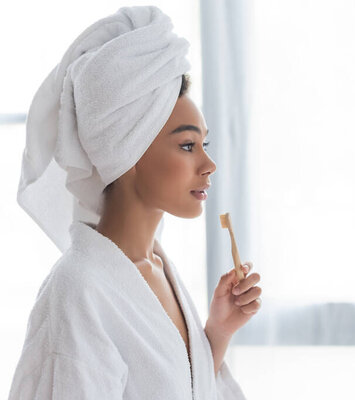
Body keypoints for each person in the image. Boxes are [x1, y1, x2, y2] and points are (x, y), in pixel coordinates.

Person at [8, 6, 259, 399]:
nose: (209, 164)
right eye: (188, 145)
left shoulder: (157, 269)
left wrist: (217, 331)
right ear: (130, 152)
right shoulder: (78, 292)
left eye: (204, 145)